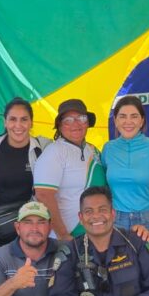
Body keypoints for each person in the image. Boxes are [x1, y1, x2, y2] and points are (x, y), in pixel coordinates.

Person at [0, 97, 51, 255]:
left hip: (30, 227)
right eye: (13, 119)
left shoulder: (42, 148)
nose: (18, 125)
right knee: (0, 276)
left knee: (30, 276)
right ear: (5, 122)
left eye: (24, 119)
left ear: (31, 123)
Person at [33, 98, 106, 241]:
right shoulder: (54, 152)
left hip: (94, 232)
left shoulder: (93, 150)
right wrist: (63, 236)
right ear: (60, 126)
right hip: (68, 237)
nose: (76, 124)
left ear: (87, 123)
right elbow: (43, 195)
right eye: (68, 120)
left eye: (81, 118)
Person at [101, 95, 149, 232]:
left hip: (147, 221)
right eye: (123, 116)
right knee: (115, 255)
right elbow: (104, 182)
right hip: (114, 220)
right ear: (115, 121)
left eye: (134, 116)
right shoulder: (108, 148)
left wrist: (146, 193)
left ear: (142, 121)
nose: (128, 121)